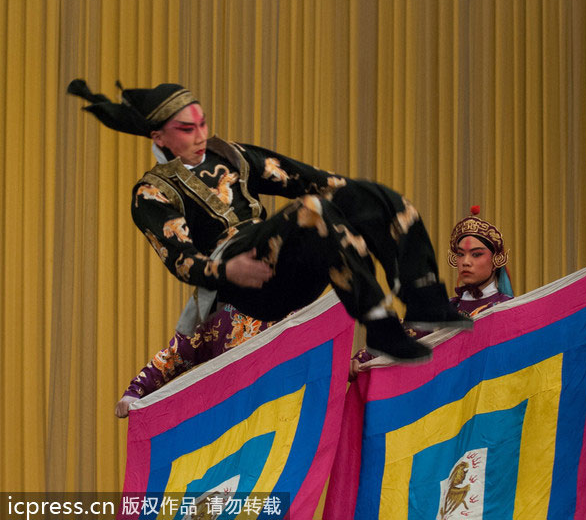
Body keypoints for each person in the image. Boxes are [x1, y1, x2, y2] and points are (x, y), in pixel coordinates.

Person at [68, 79, 471, 382]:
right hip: (238, 275)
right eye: (186, 129)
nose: (201, 135)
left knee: (382, 199)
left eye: (203, 123)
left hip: (283, 263)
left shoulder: (231, 154)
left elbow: (307, 178)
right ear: (159, 137)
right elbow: (180, 258)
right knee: (313, 211)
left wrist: (365, 201)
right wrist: (226, 271)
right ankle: (381, 329)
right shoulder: (153, 190)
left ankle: (425, 305)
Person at [350, 206, 513, 377]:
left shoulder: (508, 310)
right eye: (460, 254)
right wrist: (360, 360)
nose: (465, 262)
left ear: (496, 260)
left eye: (476, 254)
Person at [114, 304, 274, 418]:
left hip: (285, 411)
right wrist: (136, 390)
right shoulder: (215, 304)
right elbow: (176, 354)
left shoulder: (295, 298)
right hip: (235, 418)